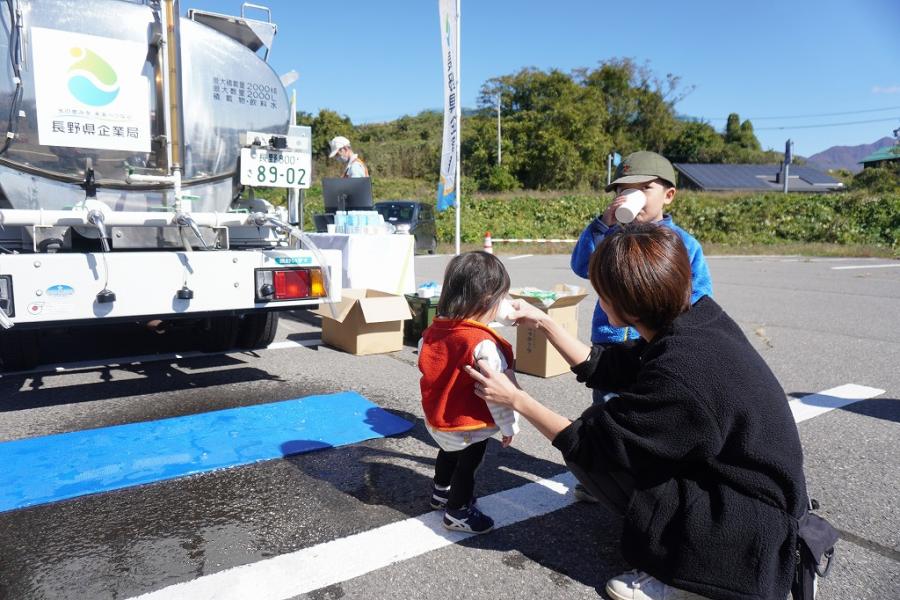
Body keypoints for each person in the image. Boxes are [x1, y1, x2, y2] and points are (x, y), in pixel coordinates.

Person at [466, 224, 810, 600]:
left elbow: (591, 444)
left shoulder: (681, 375)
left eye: (603, 294)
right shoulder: (697, 321)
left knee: (599, 457)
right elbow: (610, 366)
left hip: (746, 530)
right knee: (614, 442)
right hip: (753, 493)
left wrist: (516, 398)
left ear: (623, 308)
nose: (600, 301)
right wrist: (545, 322)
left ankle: (685, 579)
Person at [569, 150, 713, 503]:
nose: (631, 196)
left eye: (644, 188)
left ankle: (644, 483)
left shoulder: (682, 243)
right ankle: (602, 477)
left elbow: (701, 294)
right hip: (609, 343)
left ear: (668, 194)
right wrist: (602, 225)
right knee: (607, 410)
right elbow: (580, 266)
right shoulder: (611, 237)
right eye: (623, 189)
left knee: (651, 413)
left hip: (656, 346)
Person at [418, 251, 519, 535]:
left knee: (447, 452)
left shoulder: (433, 331)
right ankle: (458, 511)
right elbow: (496, 392)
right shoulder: (483, 344)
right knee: (468, 465)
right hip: (467, 423)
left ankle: (440, 494)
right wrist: (508, 425)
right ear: (488, 301)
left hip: (439, 419)